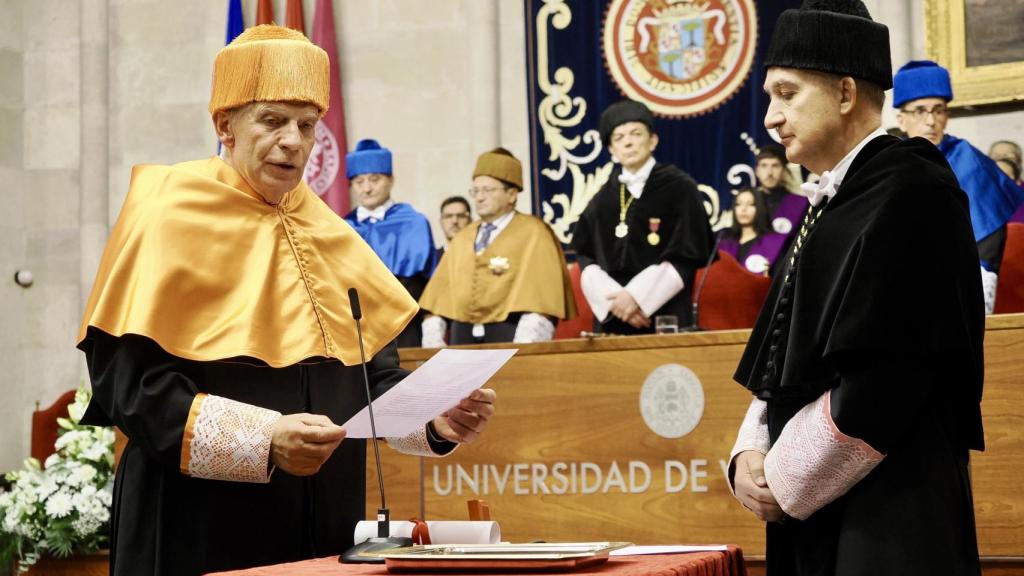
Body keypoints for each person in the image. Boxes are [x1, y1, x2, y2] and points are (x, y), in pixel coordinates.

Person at [77, 26, 496, 576]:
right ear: (225, 126)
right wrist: (263, 440)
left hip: (322, 528)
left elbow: (372, 381)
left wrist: (433, 419)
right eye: (272, 120)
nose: (294, 141)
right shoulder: (164, 214)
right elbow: (132, 388)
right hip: (196, 526)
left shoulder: (333, 234)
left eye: (306, 124)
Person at [727, 2, 984, 575]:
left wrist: (781, 478)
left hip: (890, 516)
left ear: (845, 93)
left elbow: (889, 377)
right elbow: (784, 348)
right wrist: (749, 452)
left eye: (786, 94)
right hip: (819, 508)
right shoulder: (831, 199)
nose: (770, 117)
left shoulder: (912, 189)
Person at [571, 99, 714, 334]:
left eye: (636, 134)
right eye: (619, 138)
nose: (628, 142)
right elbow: (585, 257)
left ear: (653, 140)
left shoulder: (680, 187)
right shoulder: (601, 199)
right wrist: (617, 305)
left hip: (665, 314)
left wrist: (637, 298)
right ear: (611, 150)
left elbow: (687, 255)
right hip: (613, 317)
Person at [893, 59, 1024, 310]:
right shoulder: (885, 163)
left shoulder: (970, 162)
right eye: (920, 111)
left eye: (939, 110)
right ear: (901, 119)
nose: (931, 121)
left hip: (959, 291)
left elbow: (988, 245)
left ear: (947, 115)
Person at [419, 148, 576, 345]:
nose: (479, 197)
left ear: (511, 194)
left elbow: (541, 301)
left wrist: (524, 350)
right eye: (475, 191)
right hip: (462, 342)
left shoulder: (534, 233)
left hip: (510, 335)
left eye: (487, 190)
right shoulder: (463, 237)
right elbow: (437, 300)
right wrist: (433, 343)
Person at [344, 139, 438, 348]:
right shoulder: (343, 227)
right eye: (359, 182)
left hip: (403, 323)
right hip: (355, 326)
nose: (367, 189)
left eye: (374, 180)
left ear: (391, 180)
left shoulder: (413, 222)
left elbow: (422, 282)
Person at [719, 187, 786, 275]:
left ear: (760, 208)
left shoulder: (772, 243)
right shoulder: (725, 243)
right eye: (738, 204)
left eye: (751, 204)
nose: (743, 209)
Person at [755, 143, 809, 238]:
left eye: (775, 166)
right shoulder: (748, 204)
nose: (769, 173)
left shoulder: (800, 204)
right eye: (764, 166)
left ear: (784, 171)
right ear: (757, 171)